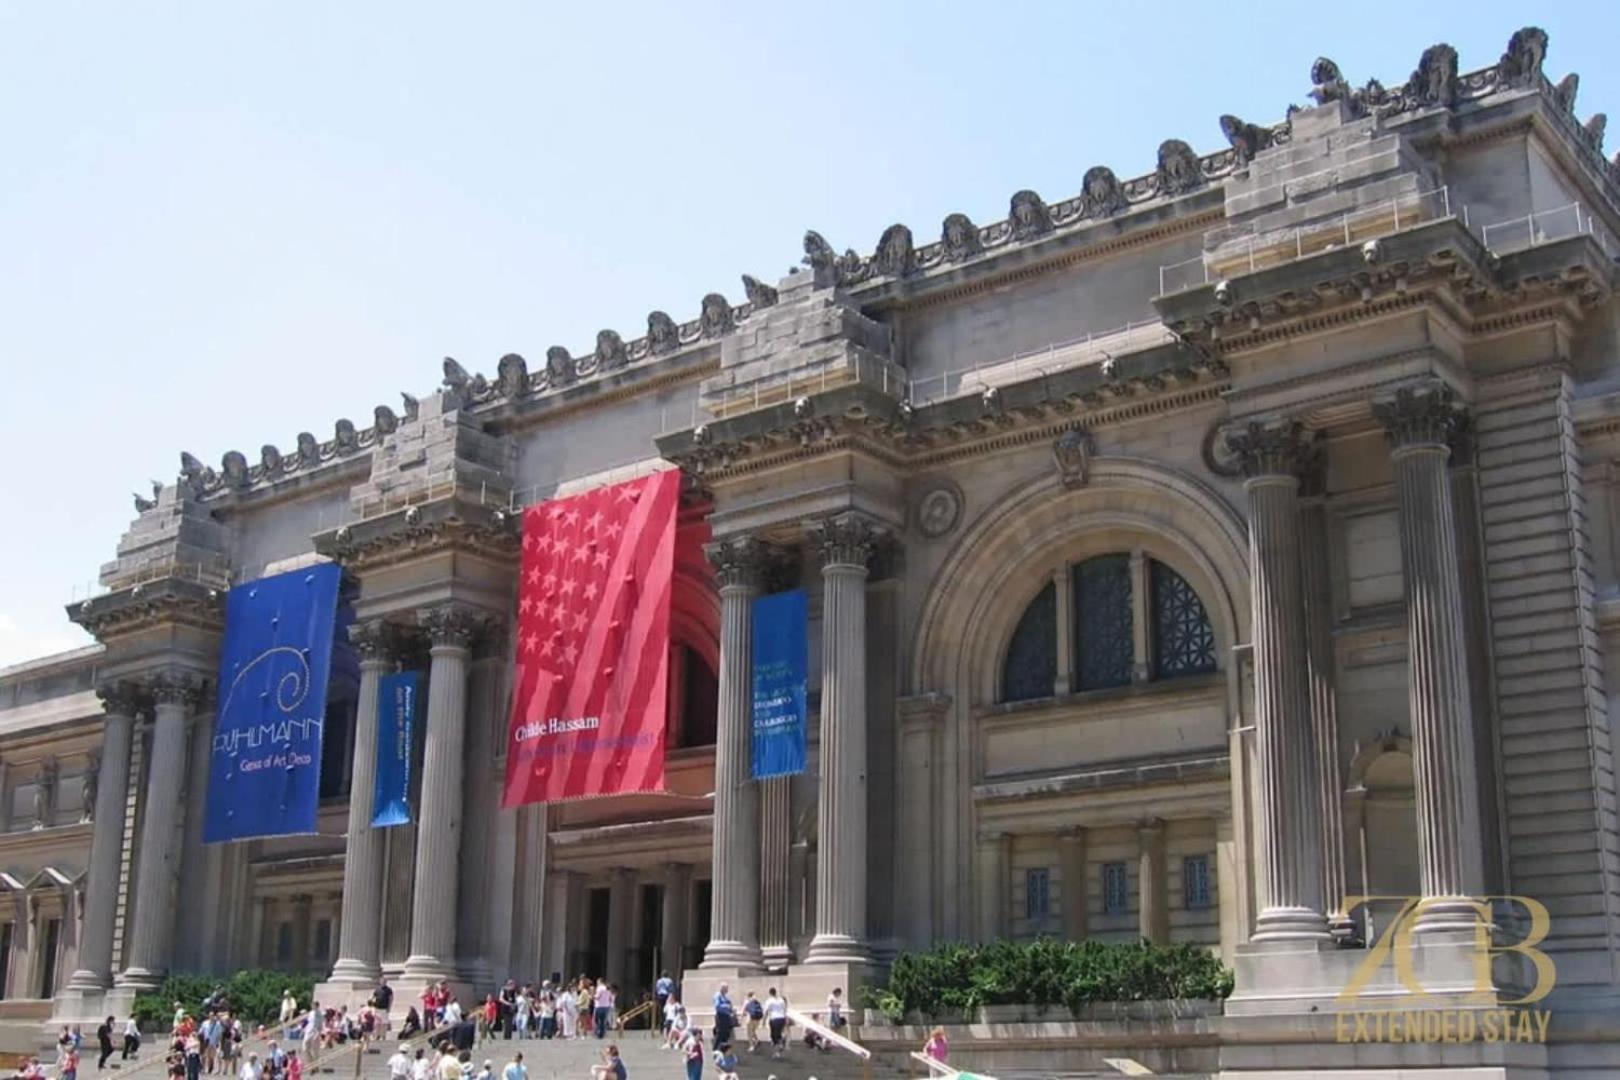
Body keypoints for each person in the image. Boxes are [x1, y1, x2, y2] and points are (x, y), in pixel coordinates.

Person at [764, 988, 788, 1060]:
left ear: (770, 993)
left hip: (774, 1019)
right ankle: (781, 1041)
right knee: (778, 1034)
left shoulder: (769, 1001)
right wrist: (785, 1019)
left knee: (774, 1036)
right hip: (782, 1018)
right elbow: (785, 1010)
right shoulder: (781, 1000)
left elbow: (766, 1011)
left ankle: (777, 1051)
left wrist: (764, 1021)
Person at [712, 983, 735, 1049]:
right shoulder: (718, 996)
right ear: (722, 988)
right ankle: (715, 1050)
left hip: (727, 1017)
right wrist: (727, 1007)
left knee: (726, 1034)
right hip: (721, 1017)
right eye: (725, 988)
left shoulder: (725, 997)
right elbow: (717, 1006)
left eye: (727, 988)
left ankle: (722, 1050)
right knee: (720, 1034)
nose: (727, 990)